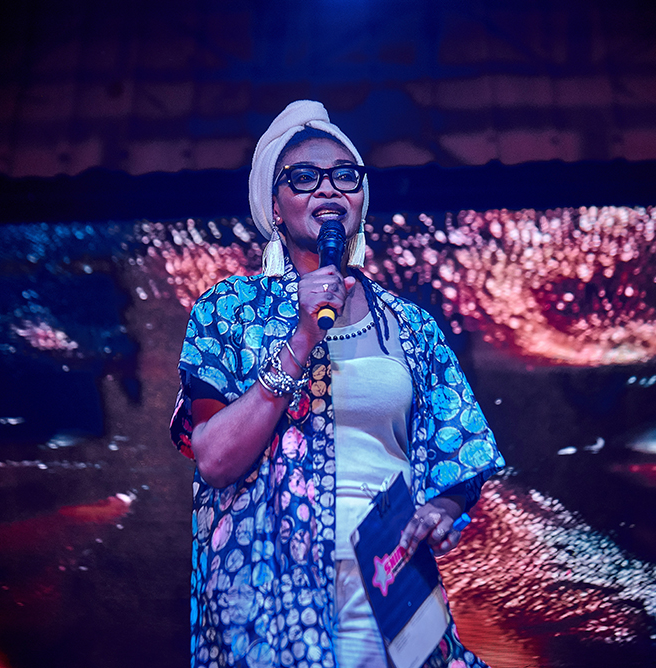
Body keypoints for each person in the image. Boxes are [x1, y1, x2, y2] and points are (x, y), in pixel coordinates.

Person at [170, 100, 505, 668]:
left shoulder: (409, 324)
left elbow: (461, 452)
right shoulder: (229, 309)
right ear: (274, 207)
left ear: (360, 198)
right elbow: (215, 460)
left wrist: (442, 509)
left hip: (392, 582)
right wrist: (302, 337)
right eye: (303, 177)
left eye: (344, 175)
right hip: (269, 586)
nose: (328, 188)